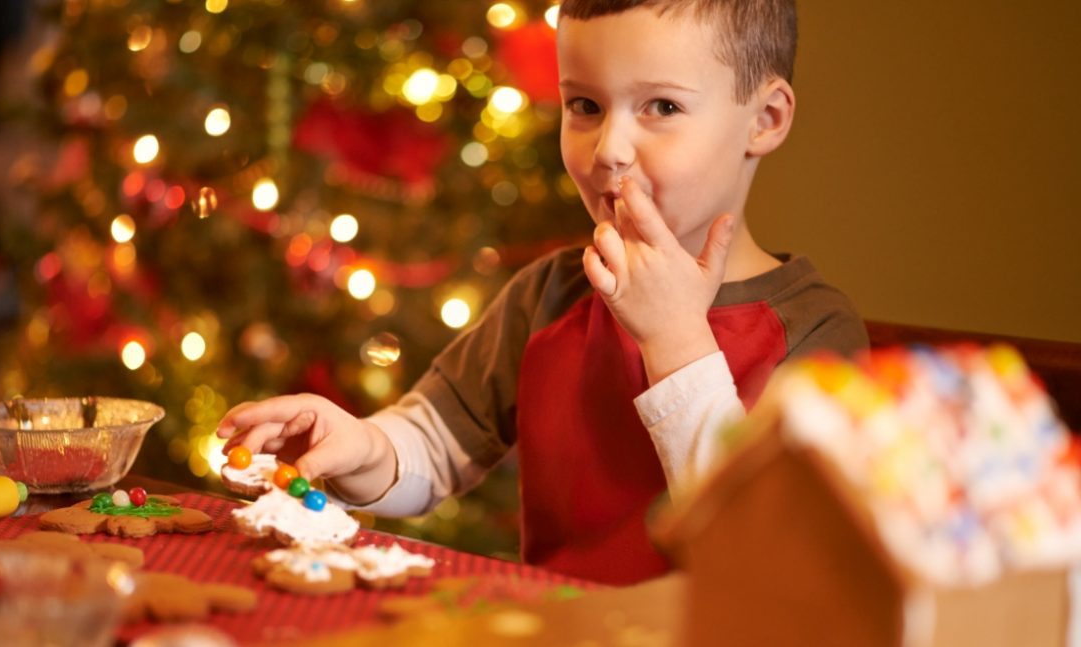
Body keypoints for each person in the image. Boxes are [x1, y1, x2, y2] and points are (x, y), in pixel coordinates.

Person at [217, 0, 867, 586]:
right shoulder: (551, 295)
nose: (609, 149)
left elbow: (764, 555)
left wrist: (675, 339)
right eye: (584, 105)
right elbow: (435, 444)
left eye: (662, 107)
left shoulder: (816, 330)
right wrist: (363, 446)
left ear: (766, 118)